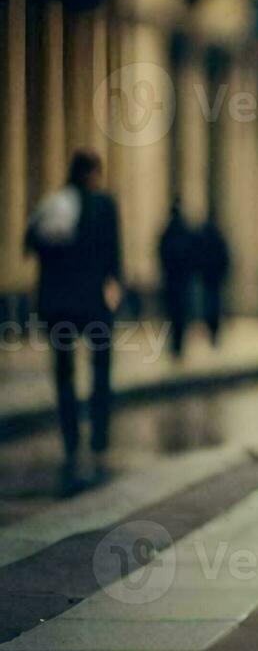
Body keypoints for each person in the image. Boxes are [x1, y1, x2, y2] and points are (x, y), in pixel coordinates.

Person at [24, 150, 123, 490]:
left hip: (60, 305)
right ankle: (99, 434)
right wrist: (114, 289)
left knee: (64, 372)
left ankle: (71, 437)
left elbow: (32, 245)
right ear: (94, 174)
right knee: (100, 368)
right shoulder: (104, 206)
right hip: (94, 303)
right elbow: (114, 256)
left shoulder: (54, 205)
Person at [157, 200, 195, 360]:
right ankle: (178, 346)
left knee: (173, 314)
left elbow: (161, 253)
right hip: (181, 281)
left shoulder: (168, 233)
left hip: (172, 280)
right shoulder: (184, 232)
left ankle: (175, 345)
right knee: (180, 315)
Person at [195, 214, 231, 346]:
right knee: (213, 305)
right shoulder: (217, 239)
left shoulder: (205, 239)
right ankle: (213, 332)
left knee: (209, 305)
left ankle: (212, 330)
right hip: (213, 279)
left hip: (208, 278)